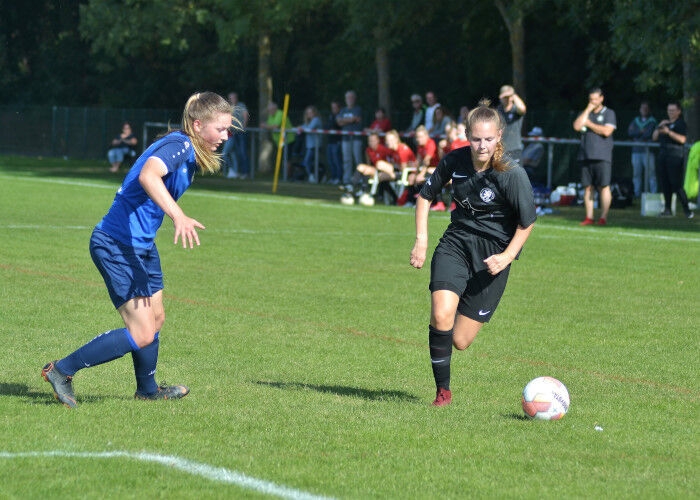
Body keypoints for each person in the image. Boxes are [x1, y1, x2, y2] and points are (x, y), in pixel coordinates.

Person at [41, 92, 234, 408]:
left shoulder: (186, 148)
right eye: (221, 129)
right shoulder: (180, 145)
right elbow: (148, 175)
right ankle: (62, 370)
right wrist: (178, 216)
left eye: (228, 129)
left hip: (141, 246)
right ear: (198, 125)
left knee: (156, 319)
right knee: (142, 332)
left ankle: (147, 390)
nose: (225, 136)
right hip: (116, 244)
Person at [409, 99, 536, 407]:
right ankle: (443, 392)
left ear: (499, 136)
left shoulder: (512, 173)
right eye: (476, 139)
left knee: (460, 340)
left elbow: (527, 222)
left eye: (489, 139)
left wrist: (507, 257)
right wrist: (421, 241)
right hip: (456, 244)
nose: (482, 146)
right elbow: (425, 196)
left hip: (492, 257)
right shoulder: (455, 161)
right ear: (467, 135)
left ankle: (451, 324)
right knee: (441, 314)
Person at [573, 87, 617, 225]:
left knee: (604, 186)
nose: (593, 102)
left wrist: (589, 124)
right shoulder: (585, 113)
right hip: (585, 155)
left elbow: (607, 131)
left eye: (595, 99)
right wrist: (587, 110)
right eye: (591, 99)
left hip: (602, 156)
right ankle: (589, 217)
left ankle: (603, 217)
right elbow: (577, 126)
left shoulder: (609, 113)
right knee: (588, 187)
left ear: (601, 98)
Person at [652, 101, 694, 218]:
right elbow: (654, 137)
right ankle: (667, 209)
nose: (670, 112)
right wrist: (659, 126)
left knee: (676, 183)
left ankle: (687, 210)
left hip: (675, 155)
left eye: (673, 110)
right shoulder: (664, 123)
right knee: (664, 183)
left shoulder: (680, 124)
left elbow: (682, 140)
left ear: (678, 111)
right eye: (669, 110)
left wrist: (669, 132)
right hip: (663, 155)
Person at [627, 101, 658, 196]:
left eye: (646, 108)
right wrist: (640, 132)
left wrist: (638, 134)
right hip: (636, 151)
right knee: (636, 174)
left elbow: (649, 134)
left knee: (651, 174)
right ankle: (637, 194)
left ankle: (653, 194)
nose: (644, 110)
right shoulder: (635, 120)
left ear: (649, 110)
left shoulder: (652, 121)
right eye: (642, 108)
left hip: (648, 151)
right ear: (640, 109)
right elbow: (630, 132)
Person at [337, 90, 363, 189]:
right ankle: (347, 179)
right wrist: (351, 120)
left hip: (356, 138)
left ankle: (358, 179)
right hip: (346, 138)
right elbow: (339, 122)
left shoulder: (358, 109)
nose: (349, 100)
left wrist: (344, 121)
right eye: (348, 98)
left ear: (354, 99)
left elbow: (356, 119)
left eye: (351, 97)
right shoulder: (343, 110)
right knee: (346, 159)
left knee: (357, 159)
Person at [222, 92, 250, 179]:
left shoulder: (241, 105)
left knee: (242, 152)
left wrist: (243, 127)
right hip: (232, 133)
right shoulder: (228, 107)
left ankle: (244, 172)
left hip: (240, 132)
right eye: (231, 98)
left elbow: (245, 115)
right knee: (234, 153)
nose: (232, 99)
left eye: (234, 97)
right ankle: (236, 172)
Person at [497, 85, 526, 164]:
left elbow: (522, 109)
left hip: (515, 150)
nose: (507, 99)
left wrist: (513, 94)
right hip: (500, 151)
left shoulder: (515, 110)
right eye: (505, 97)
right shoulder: (498, 111)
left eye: (508, 97)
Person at [300, 105, 323, 183]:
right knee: (311, 162)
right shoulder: (309, 121)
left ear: (314, 113)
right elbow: (303, 127)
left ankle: (312, 176)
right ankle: (314, 176)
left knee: (307, 161)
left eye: (310, 113)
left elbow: (309, 129)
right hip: (309, 145)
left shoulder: (316, 120)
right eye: (307, 113)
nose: (309, 114)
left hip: (315, 145)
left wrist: (302, 128)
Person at [325, 101, 343, 185]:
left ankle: (339, 178)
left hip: (337, 141)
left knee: (337, 161)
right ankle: (333, 177)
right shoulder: (331, 116)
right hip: (330, 141)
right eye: (332, 107)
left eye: (335, 107)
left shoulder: (341, 116)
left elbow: (338, 126)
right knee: (330, 161)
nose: (333, 109)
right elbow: (327, 126)